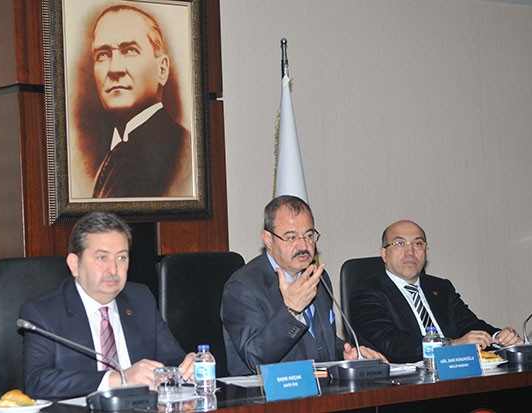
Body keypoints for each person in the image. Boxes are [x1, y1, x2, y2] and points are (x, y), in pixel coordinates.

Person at [20, 212, 195, 399]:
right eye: (102, 258)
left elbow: (171, 358)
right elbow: (37, 381)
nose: (113, 270)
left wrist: (189, 365)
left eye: (121, 258)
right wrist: (118, 379)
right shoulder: (43, 313)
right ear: (74, 264)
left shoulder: (140, 299)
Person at [220, 195, 386, 376]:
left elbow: (317, 342)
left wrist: (345, 353)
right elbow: (255, 359)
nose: (303, 245)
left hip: (319, 387)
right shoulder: (243, 287)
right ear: (268, 239)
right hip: (267, 391)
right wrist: (291, 311)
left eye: (309, 235)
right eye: (291, 237)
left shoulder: (317, 277)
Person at [350, 219, 524, 363]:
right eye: (399, 243)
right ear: (384, 253)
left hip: (456, 371)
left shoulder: (441, 288)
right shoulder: (366, 292)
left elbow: (469, 324)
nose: (410, 251)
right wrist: (451, 345)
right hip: (403, 383)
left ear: (426, 252)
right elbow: (393, 343)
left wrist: (499, 337)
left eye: (418, 244)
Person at [88, 4, 192, 198]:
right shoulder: (112, 154)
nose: (115, 69)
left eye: (130, 50)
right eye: (103, 55)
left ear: (162, 70)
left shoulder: (183, 153)